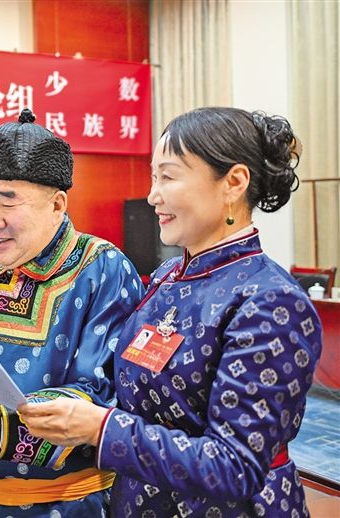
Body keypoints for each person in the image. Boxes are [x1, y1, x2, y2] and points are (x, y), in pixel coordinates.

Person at [19, 107, 322, 517]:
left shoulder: (270, 301)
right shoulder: (167, 277)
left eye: (169, 177)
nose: (153, 195)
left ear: (234, 183)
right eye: (153, 177)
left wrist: (100, 428)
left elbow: (235, 466)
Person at [0, 109, 144, 517]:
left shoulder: (101, 268)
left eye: (8, 201)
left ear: (57, 204)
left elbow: (100, 392)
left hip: (71, 504)